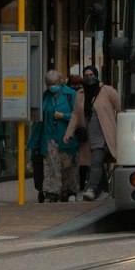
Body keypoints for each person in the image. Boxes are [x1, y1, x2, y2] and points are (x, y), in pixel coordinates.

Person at [65, 63, 120, 201]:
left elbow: (120, 107)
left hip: (104, 133)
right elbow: (75, 114)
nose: (89, 78)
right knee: (97, 162)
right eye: (86, 75)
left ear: (96, 75)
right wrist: (68, 133)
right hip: (88, 135)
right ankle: (105, 192)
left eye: (91, 75)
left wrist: (121, 126)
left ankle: (91, 189)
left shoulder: (107, 90)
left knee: (96, 160)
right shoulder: (80, 94)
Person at [36, 69, 79, 202]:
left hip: (66, 136)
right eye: (49, 84)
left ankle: (68, 191)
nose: (52, 87)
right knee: (51, 165)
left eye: (54, 84)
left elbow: (77, 115)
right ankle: (52, 193)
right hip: (49, 137)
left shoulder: (70, 95)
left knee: (67, 165)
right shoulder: (46, 96)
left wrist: (63, 116)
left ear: (60, 82)